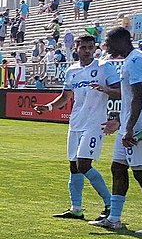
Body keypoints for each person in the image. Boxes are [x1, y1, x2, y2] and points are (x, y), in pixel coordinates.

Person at [89, 27, 142, 234]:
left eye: (109, 42)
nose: (106, 46)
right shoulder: (132, 60)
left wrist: (129, 127)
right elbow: (129, 99)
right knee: (117, 168)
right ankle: (114, 218)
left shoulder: (136, 61)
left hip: (138, 127)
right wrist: (119, 120)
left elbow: (138, 96)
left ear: (122, 41)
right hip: (129, 124)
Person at [34, 35, 121, 220]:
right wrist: (48, 107)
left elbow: (120, 91)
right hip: (75, 123)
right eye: (84, 47)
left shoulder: (104, 67)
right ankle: (76, 208)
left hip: (95, 123)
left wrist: (106, 90)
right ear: (76, 49)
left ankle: (110, 204)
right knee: (74, 166)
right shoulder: (72, 70)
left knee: (83, 164)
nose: (88, 50)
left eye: (91, 47)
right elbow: (65, 97)